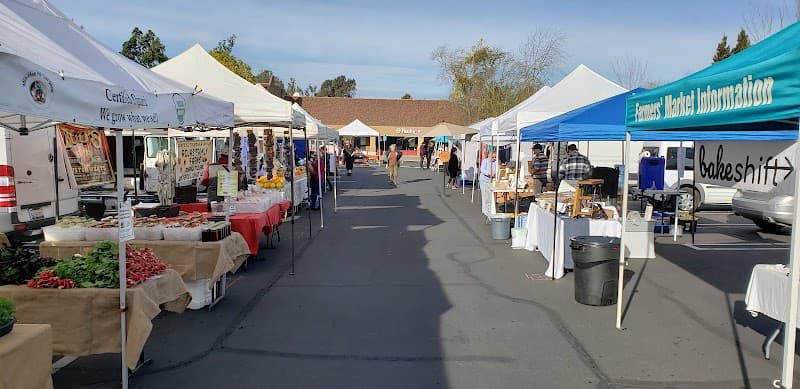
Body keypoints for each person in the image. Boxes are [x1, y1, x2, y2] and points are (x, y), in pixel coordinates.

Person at [479, 151, 498, 216]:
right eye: (493, 157)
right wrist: (489, 173)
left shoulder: (495, 162)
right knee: (485, 197)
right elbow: (482, 170)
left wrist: (495, 173)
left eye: (495, 157)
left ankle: (489, 211)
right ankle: (485, 211)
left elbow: (497, 170)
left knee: (490, 197)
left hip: (491, 181)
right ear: (489, 156)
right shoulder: (485, 161)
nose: (494, 158)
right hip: (484, 181)